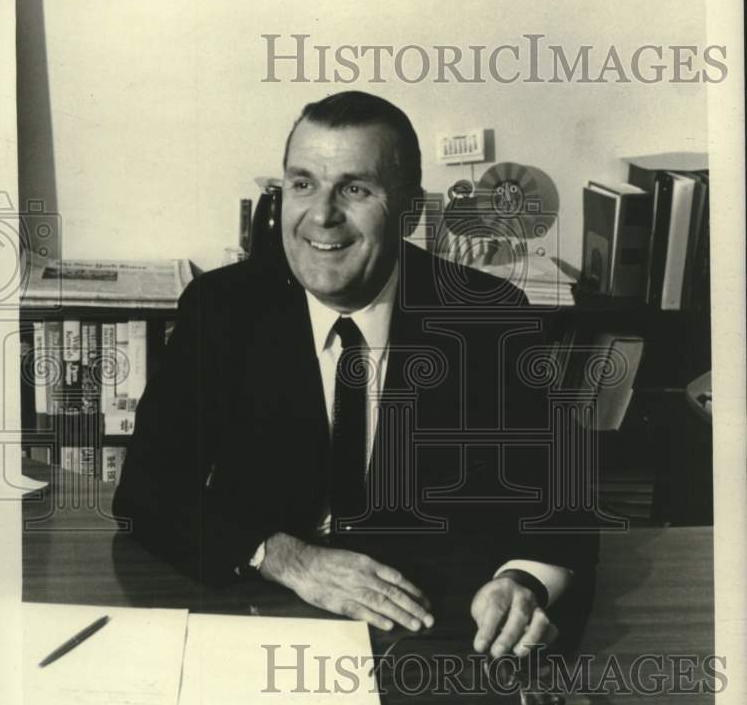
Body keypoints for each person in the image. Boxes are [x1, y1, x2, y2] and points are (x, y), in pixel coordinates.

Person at [113, 91, 598, 659]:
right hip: (258, 612)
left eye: (355, 188)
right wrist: (282, 556)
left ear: (410, 212)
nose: (321, 216)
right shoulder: (222, 308)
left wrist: (520, 582)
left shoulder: (490, 318)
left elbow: (563, 508)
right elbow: (147, 492)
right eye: (302, 184)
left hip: (427, 630)